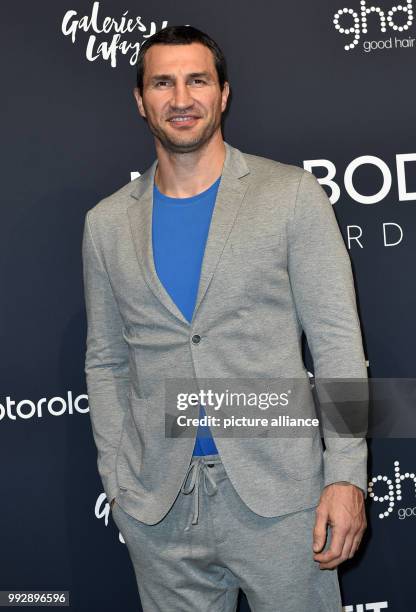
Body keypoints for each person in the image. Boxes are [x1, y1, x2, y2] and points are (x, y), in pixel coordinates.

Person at [82, 24, 367, 612]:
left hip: (281, 498)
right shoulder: (106, 224)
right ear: (141, 99)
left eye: (196, 80)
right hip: (158, 505)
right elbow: (107, 359)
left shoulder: (290, 195)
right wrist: (118, 477)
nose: (181, 98)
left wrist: (346, 477)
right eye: (163, 82)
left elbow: (337, 345)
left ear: (223, 93)